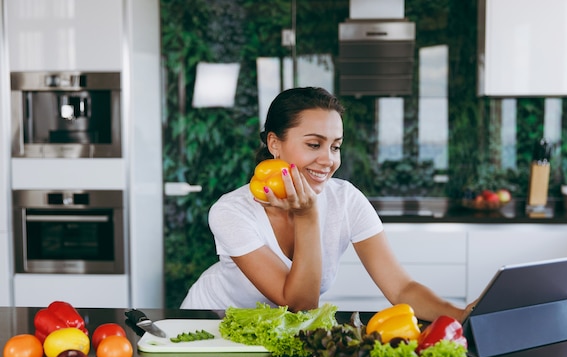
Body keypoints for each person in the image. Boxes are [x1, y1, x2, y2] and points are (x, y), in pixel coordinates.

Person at [181, 87, 474, 322]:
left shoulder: (346, 199)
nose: (329, 160)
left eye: (335, 146)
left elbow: (401, 288)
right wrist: (308, 217)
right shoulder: (231, 211)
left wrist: (460, 315)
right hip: (212, 327)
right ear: (274, 144)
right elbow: (299, 304)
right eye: (313, 144)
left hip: (282, 336)